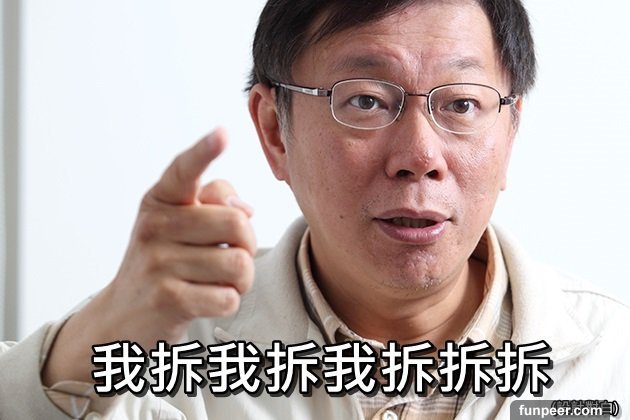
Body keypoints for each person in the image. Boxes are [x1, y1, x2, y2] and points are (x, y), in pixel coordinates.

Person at [1, 0, 628, 418]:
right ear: (276, 131)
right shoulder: (162, 353)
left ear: (510, 131)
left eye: (461, 104)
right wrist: (97, 334)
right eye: (365, 100)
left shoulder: (611, 361)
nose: (419, 155)